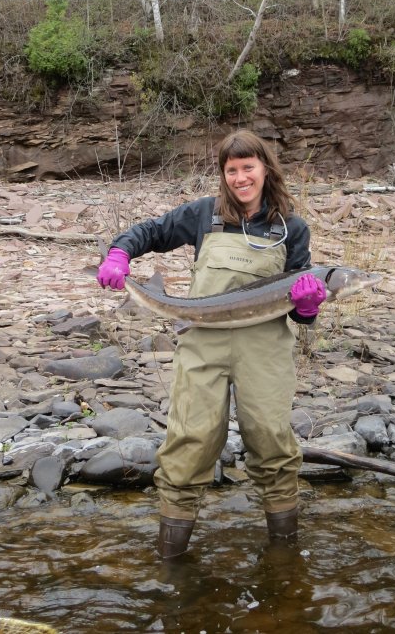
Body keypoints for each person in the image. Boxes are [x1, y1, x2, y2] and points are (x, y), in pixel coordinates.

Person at [96, 130, 327, 559]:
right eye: (232, 169)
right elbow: (148, 232)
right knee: (190, 441)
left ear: (265, 168)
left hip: (265, 349)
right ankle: (171, 564)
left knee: (273, 443)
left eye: (248, 167)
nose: (241, 177)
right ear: (224, 174)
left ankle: (284, 560)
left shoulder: (291, 229)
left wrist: (309, 307)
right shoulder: (205, 215)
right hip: (203, 342)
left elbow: (297, 312)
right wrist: (118, 254)